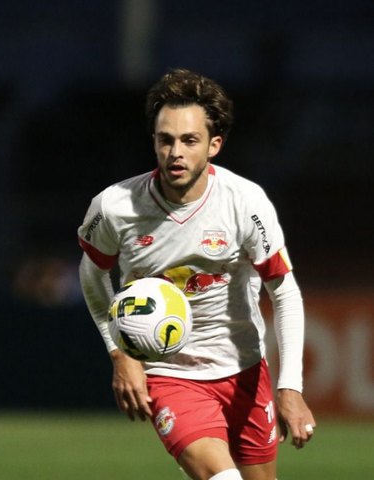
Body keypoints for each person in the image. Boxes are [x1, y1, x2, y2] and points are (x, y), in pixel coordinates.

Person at [77, 68, 315, 480]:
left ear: (214, 145)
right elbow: (93, 274)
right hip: (171, 376)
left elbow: (284, 292)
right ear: (153, 141)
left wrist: (290, 386)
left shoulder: (244, 202)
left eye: (189, 140)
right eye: (165, 139)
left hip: (243, 369)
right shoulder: (115, 206)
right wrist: (120, 354)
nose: (175, 153)